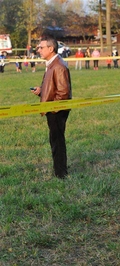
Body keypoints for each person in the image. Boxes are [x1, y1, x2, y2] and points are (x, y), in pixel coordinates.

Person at [31, 36, 72, 179]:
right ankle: (59, 170)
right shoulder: (52, 63)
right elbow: (54, 88)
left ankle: (61, 173)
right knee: (55, 140)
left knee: (57, 141)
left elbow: (63, 92)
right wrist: (42, 91)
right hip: (53, 108)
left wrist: (53, 109)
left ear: (50, 48)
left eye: (41, 47)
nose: (38, 50)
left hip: (56, 111)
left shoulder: (58, 66)